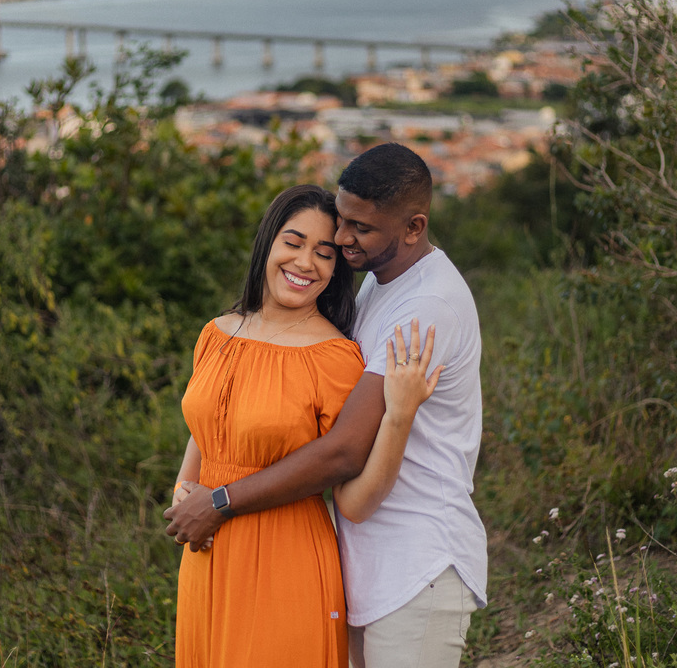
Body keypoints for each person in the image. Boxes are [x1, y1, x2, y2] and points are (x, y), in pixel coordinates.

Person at [165, 143, 487, 668]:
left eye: (356, 230)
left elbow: (342, 454)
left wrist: (218, 501)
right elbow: (221, 416)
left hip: (416, 558)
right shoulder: (379, 287)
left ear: (413, 227)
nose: (340, 239)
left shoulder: (424, 307)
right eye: (340, 222)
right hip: (359, 558)